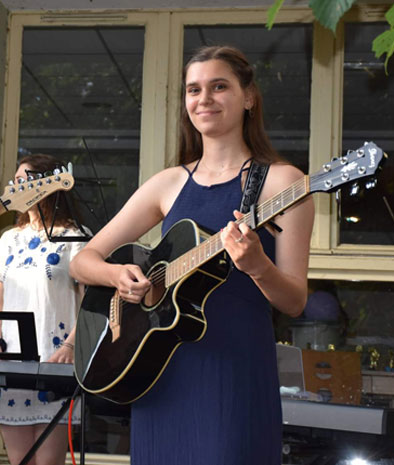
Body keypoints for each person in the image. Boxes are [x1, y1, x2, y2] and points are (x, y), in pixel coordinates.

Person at [69, 45, 315, 464]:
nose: (204, 99)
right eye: (193, 89)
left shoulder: (283, 183)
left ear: (249, 97)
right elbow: (83, 260)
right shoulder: (167, 183)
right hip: (158, 371)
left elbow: (294, 301)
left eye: (219, 86)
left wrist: (257, 266)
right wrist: (117, 277)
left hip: (233, 373)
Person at [0, 153, 89, 465]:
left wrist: (71, 345)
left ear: (47, 185)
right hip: (9, 366)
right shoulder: (8, 240)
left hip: (55, 361)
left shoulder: (75, 239)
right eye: (15, 180)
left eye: (23, 180)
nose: (15, 186)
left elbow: (92, 302)